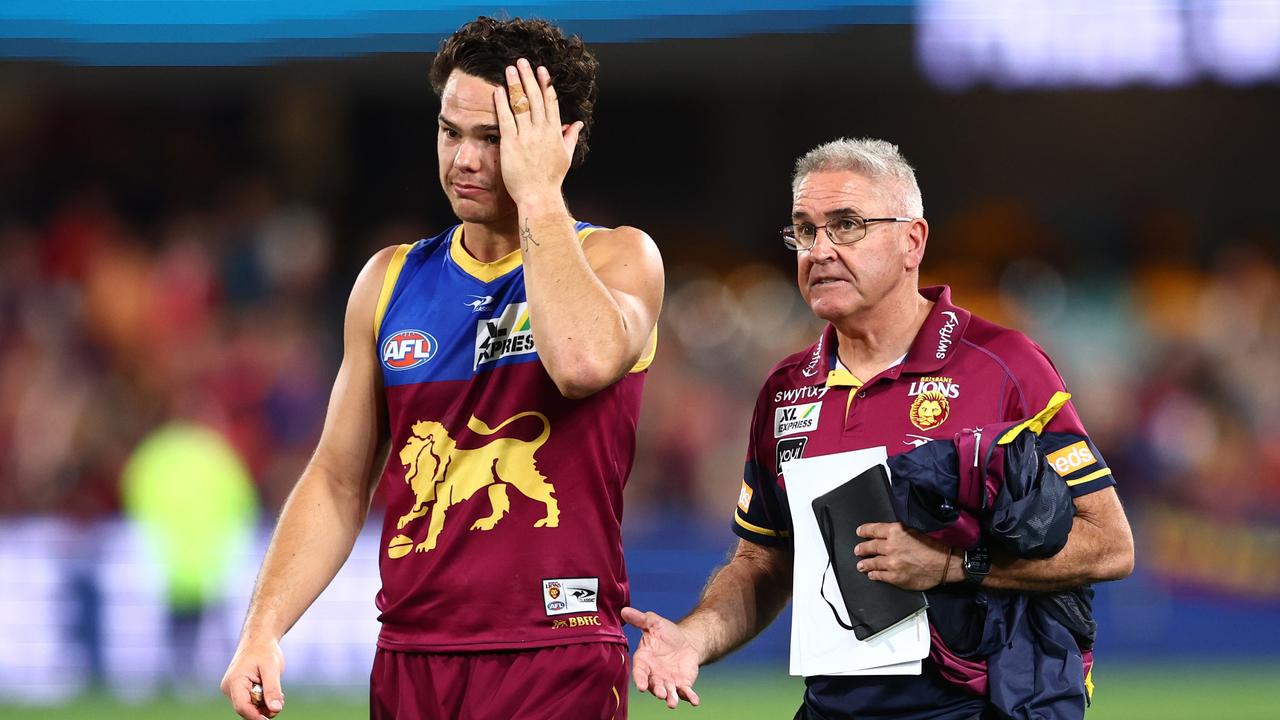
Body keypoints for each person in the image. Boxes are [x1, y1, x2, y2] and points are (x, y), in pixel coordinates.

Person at [220, 16, 663, 720]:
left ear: (562, 142)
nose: (463, 159)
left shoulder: (619, 259)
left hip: (555, 652)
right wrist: (262, 629)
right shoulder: (388, 282)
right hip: (411, 660)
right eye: (450, 131)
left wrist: (541, 196)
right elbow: (337, 480)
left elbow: (579, 362)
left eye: (494, 138)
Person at [623, 138, 1133, 720]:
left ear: (912, 241)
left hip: (982, 707)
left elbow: (1111, 545)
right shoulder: (785, 389)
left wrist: (951, 566)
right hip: (835, 706)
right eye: (805, 230)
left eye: (846, 226)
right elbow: (763, 563)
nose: (820, 250)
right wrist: (693, 638)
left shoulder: (1004, 366)